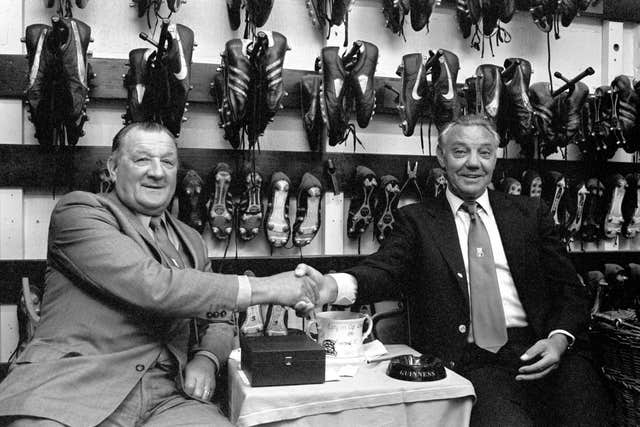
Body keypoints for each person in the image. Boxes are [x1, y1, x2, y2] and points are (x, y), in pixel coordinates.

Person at [298, 115, 613, 426]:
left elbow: (570, 290)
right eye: (461, 152)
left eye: (484, 152)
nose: (473, 163)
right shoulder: (416, 221)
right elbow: (383, 271)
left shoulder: (530, 213)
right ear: (441, 157)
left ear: (495, 157)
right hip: (475, 361)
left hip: (546, 348)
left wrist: (559, 340)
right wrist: (330, 286)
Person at [0, 122, 317, 427]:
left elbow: (219, 319)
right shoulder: (79, 212)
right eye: (141, 160)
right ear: (112, 168)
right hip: (69, 389)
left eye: (167, 162)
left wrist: (207, 358)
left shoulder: (190, 240)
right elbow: (151, 285)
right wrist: (271, 288)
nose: (156, 171)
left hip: (168, 398)